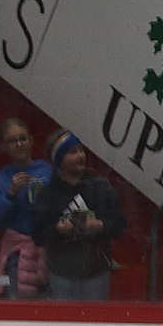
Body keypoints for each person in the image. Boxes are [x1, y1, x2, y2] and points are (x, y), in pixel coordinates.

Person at [32, 129, 125, 301]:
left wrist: (99, 226)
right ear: (59, 160)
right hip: (61, 274)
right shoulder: (48, 195)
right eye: (73, 152)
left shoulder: (100, 187)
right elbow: (38, 234)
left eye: (81, 150)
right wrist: (58, 230)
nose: (81, 155)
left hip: (96, 274)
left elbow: (119, 224)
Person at [0, 118, 52, 299]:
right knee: (15, 307)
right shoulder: (0, 179)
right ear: (3, 147)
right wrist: (10, 193)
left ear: (31, 140)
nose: (19, 144)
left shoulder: (47, 171)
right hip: (16, 254)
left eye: (22, 138)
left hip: (47, 252)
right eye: (12, 141)